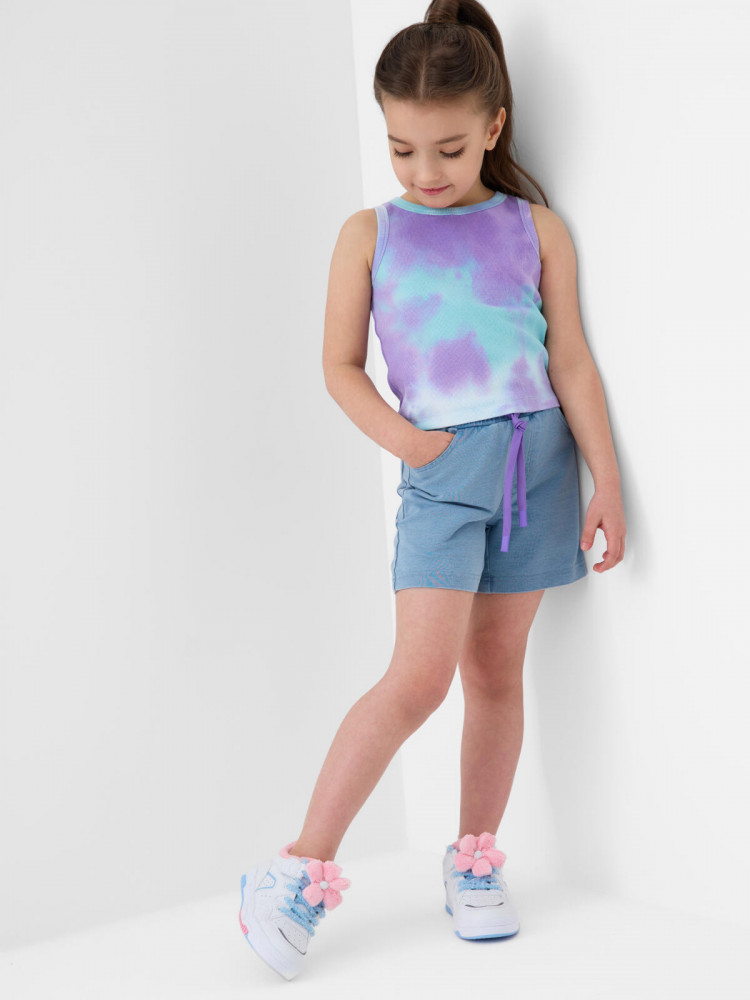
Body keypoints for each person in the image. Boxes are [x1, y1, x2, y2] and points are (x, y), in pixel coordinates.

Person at [239, 0, 626, 981]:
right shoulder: (369, 234)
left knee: (496, 671)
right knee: (417, 680)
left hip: (540, 471)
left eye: (448, 148)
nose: (424, 171)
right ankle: (295, 870)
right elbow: (338, 366)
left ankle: (475, 859)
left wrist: (607, 480)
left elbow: (571, 361)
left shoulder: (536, 228)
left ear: (494, 125)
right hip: (443, 477)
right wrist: (414, 447)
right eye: (401, 148)